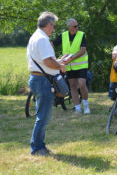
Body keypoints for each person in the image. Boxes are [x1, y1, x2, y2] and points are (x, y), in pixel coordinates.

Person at [27, 12, 67, 156]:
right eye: (53, 26)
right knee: (43, 117)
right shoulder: (42, 39)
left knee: (41, 115)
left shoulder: (36, 37)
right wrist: (60, 66)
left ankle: (39, 145)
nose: (53, 29)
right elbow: (48, 62)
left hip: (39, 79)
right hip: (43, 81)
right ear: (48, 25)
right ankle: (37, 148)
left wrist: (57, 62)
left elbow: (47, 60)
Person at [52, 18, 90, 114]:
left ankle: (86, 105)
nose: (77, 27)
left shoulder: (81, 35)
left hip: (81, 65)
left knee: (82, 84)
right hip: (69, 66)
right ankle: (77, 108)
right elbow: (52, 44)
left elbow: (82, 50)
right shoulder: (63, 35)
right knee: (72, 86)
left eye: (77, 25)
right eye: (74, 26)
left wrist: (71, 58)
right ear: (68, 27)